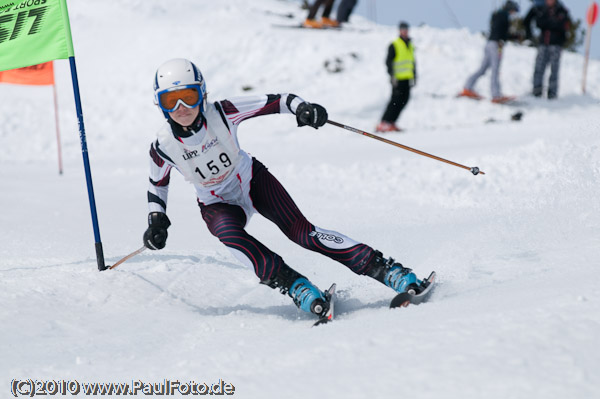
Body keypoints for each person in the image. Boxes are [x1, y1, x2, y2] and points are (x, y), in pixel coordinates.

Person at [143, 58, 429, 320]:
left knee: (303, 234)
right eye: (171, 101)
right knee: (231, 237)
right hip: (217, 204)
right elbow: (158, 183)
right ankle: (297, 287)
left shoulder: (223, 112)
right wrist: (156, 219)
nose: (181, 107)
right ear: (160, 104)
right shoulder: (164, 146)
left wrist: (303, 109)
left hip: (253, 181)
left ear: (202, 94)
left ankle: (389, 271)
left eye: (189, 97)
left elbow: (280, 100)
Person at [458, 0, 520, 104]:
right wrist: (513, 37)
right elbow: (502, 33)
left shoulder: (496, 15)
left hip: (489, 43)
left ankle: (467, 87)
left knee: (483, 68)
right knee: (495, 70)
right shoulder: (504, 16)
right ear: (511, 9)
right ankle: (496, 95)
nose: (514, 13)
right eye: (514, 11)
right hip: (497, 44)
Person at [375, 21, 416, 133]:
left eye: (406, 29)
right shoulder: (394, 44)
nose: (405, 31)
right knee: (395, 101)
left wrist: (414, 76)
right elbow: (389, 62)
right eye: (403, 29)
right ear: (399, 30)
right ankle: (384, 122)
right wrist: (392, 76)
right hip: (397, 79)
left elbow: (412, 62)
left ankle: (392, 122)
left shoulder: (410, 44)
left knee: (404, 100)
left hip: (407, 79)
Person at [532, 0, 571, 99]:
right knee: (539, 67)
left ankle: (552, 92)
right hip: (543, 43)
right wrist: (551, 23)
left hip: (556, 44)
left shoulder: (561, 10)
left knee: (554, 69)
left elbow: (563, 25)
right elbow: (539, 23)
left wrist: (551, 24)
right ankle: (537, 90)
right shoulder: (542, 9)